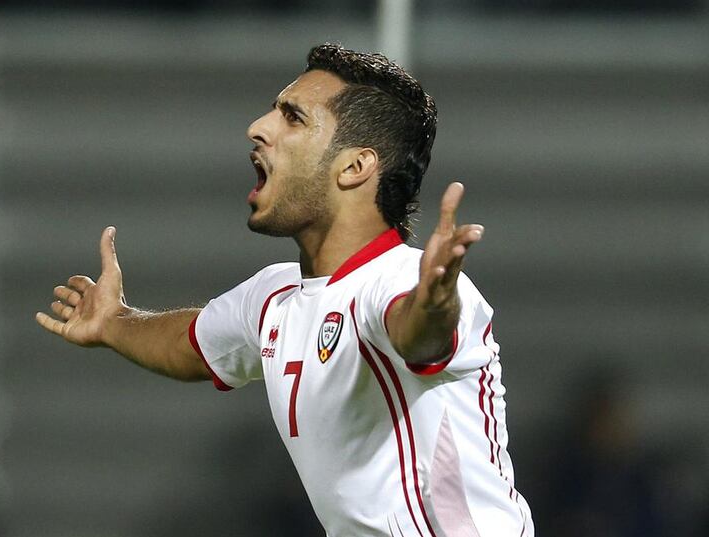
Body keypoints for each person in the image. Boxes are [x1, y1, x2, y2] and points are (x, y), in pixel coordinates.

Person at [36, 44, 533, 537]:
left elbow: (417, 335)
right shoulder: (275, 298)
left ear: (355, 167)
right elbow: (192, 344)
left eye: (292, 118)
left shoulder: (401, 281)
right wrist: (114, 322)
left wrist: (434, 301)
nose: (259, 127)